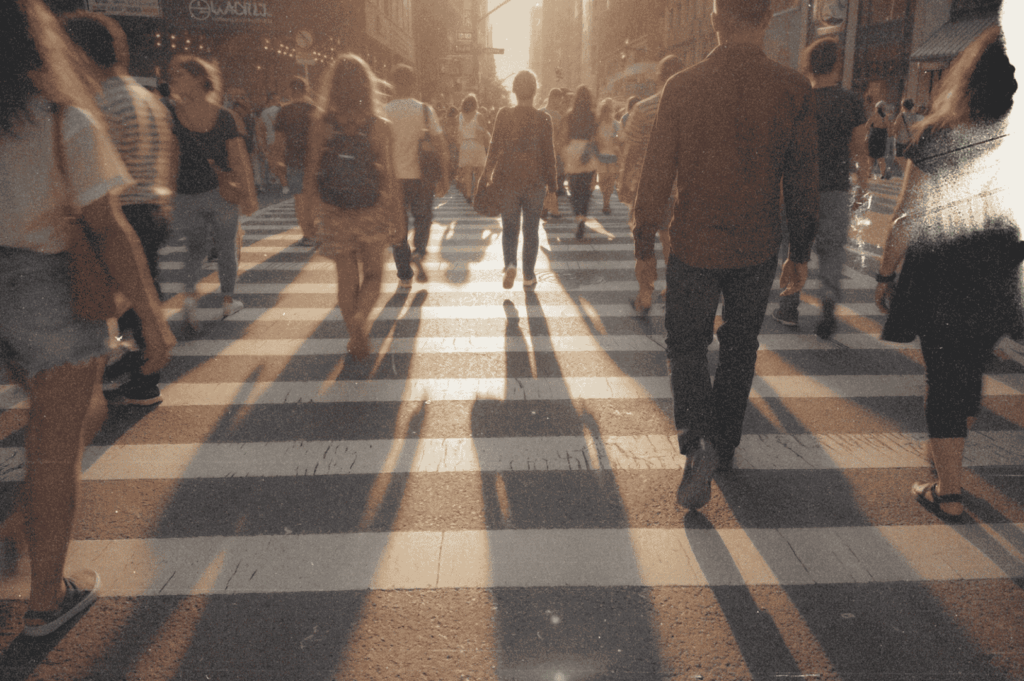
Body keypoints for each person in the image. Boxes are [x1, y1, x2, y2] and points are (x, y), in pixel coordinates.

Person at [0, 0, 174, 637]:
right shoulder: (62, 122)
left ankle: (23, 529)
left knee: (50, 428)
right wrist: (150, 320)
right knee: (53, 451)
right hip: (47, 287)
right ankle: (45, 600)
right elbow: (108, 227)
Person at [633, 0, 819, 509]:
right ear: (765, 20)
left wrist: (643, 243)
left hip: (694, 239)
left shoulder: (683, 86)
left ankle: (697, 442)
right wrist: (799, 250)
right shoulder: (793, 89)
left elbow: (656, 174)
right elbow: (803, 180)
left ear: (715, 20)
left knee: (686, 345)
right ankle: (726, 443)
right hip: (758, 242)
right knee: (741, 343)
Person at [875, 26, 1021, 522]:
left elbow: (908, 214)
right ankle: (945, 458)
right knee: (970, 366)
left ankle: (949, 489)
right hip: (1000, 274)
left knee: (943, 377)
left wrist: (885, 274)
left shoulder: (941, 133)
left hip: (940, 273)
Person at [62, 11, 177, 407]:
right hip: (152, 206)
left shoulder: (98, 103)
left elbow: (94, 166)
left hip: (119, 210)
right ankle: (138, 370)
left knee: (114, 296)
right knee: (141, 289)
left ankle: (138, 373)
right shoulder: (147, 97)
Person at [304, 54, 405, 359]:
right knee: (374, 274)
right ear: (368, 86)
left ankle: (353, 330)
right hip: (372, 210)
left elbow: (311, 171)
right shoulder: (380, 126)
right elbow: (390, 177)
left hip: (334, 211)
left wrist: (307, 213)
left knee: (346, 277)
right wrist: (399, 217)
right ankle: (362, 317)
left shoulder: (321, 124)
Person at [772, 37, 870, 339]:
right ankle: (828, 303)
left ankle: (789, 307)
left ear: (809, 66)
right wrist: (862, 183)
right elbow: (858, 149)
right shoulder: (851, 101)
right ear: (837, 64)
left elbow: (784, 149)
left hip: (799, 188)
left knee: (792, 247)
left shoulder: (799, 99)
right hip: (836, 190)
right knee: (831, 251)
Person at [167, 55, 258, 328]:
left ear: (198, 78)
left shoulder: (173, 116)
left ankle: (190, 300)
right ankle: (228, 302)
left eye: (180, 75)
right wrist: (249, 196)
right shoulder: (225, 116)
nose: (174, 80)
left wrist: (169, 195)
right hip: (221, 194)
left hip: (186, 195)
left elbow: (171, 160)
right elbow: (239, 160)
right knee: (226, 247)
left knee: (195, 250)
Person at [618, 54, 686, 315]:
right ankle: (672, 287)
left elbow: (631, 150)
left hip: (645, 186)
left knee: (643, 238)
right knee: (670, 237)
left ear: (658, 78)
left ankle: (645, 293)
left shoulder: (643, 108)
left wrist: (624, 181)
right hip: (677, 187)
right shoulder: (691, 109)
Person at [478, 70, 558, 289]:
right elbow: (549, 154)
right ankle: (529, 276)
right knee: (531, 230)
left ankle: (511, 264)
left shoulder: (504, 115)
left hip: (508, 180)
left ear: (514, 90)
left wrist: (485, 176)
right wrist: (553, 187)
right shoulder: (544, 119)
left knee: (510, 227)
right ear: (535, 91)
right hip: (535, 183)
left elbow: (493, 148)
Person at [383, 64, 448, 286]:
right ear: (413, 84)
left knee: (397, 225)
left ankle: (404, 276)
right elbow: (440, 145)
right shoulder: (424, 110)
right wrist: (445, 177)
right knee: (423, 218)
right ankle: (419, 250)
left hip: (393, 180)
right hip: (422, 178)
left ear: (393, 84)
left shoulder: (384, 110)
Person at [271, 76, 317, 246]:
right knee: (313, 198)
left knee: (300, 199)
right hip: (313, 161)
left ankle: (308, 235)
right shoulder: (314, 110)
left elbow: (279, 140)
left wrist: (276, 159)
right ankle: (315, 231)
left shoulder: (284, 111)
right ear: (306, 90)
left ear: (291, 91)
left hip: (293, 160)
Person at [562, 84, 599, 240]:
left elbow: (564, 135)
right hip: (587, 151)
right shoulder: (592, 115)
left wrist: (564, 154)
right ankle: (582, 217)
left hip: (572, 150)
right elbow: (595, 137)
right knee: (586, 190)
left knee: (574, 188)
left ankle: (578, 216)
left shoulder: (569, 114)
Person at [458, 93, 488, 204]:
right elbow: (484, 130)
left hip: (465, 145)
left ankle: (468, 195)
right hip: (477, 144)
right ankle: (476, 193)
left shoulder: (460, 115)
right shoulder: (478, 115)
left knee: (467, 172)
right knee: (479, 171)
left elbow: (459, 132)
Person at [539, 88, 565, 219]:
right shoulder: (554, 116)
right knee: (551, 181)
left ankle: (547, 208)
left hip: (546, 152)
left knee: (548, 181)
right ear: (552, 98)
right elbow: (561, 137)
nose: (560, 103)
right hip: (550, 152)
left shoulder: (540, 113)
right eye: (559, 100)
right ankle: (550, 209)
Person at [595, 97, 620, 215]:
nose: (608, 113)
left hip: (613, 156)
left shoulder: (616, 124)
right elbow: (594, 139)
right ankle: (605, 197)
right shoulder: (598, 124)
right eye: (605, 111)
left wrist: (616, 139)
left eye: (610, 111)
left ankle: (606, 202)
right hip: (601, 156)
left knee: (610, 180)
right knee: (602, 180)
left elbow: (622, 138)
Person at [256, 92, 281, 191]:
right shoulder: (281, 111)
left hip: (270, 139)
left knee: (268, 160)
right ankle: (277, 179)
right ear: (271, 100)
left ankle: (269, 180)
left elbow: (260, 128)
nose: (278, 102)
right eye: (276, 100)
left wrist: (261, 141)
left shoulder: (264, 112)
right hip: (280, 139)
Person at [890, 97, 921, 175]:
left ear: (903, 106)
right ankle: (909, 173)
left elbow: (896, 128)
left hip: (900, 140)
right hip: (910, 141)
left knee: (898, 156)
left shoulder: (901, 116)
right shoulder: (915, 116)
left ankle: (906, 172)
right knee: (909, 159)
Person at [866, 101, 889, 178]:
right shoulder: (886, 117)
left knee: (870, 157)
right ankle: (883, 174)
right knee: (881, 157)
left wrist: (870, 131)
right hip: (882, 138)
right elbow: (888, 126)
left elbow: (867, 125)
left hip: (873, 136)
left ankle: (868, 173)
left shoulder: (874, 116)